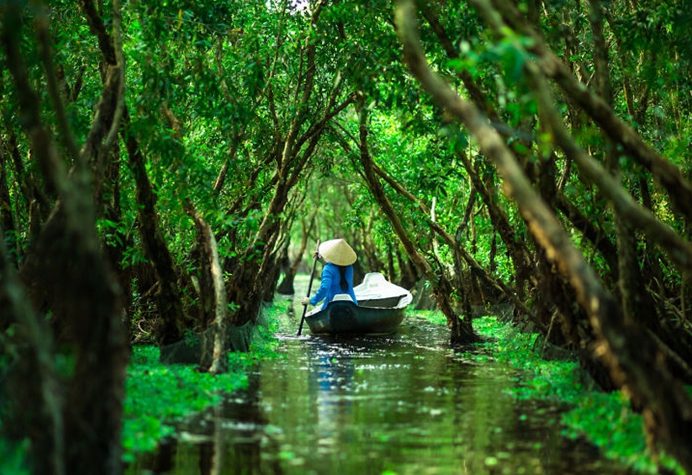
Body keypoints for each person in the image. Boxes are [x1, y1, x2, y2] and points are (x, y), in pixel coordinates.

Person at [301, 238, 358, 309]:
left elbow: (325, 288)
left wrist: (312, 300)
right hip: (352, 305)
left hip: (333, 307)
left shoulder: (328, 269)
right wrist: (322, 261)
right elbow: (338, 269)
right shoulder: (349, 267)